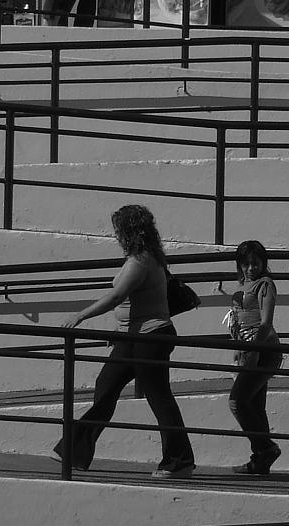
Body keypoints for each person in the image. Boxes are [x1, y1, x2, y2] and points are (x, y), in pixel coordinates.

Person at [53, 205, 195, 478]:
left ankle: (180, 460)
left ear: (129, 231)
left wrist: (80, 316)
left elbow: (117, 297)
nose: (117, 235)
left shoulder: (140, 261)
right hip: (131, 338)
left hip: (150, 337)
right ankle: (73, 451)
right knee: (105, 388)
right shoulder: (142, 258)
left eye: (119, 229)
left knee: (159, 398)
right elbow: (130, 304)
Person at [226, 240, 284, 475]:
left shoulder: (265, 284)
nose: (251, 268)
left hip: (262, 350)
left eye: (255, 263)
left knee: (237, 401)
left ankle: (266, 448)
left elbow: (266, 322)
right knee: (255, 406)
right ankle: (260, 460)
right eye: (246, 264)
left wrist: (254, 352)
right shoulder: (245, 284)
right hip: (248, 349)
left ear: (263, 264)